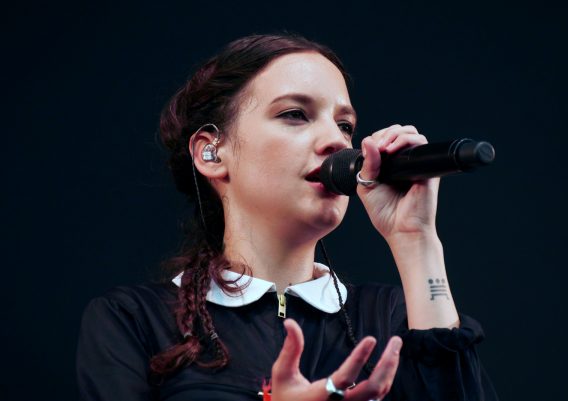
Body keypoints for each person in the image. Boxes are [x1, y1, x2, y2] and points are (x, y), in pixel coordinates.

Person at [76, 33, 498, 401]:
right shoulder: (134, 321)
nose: (337, 141)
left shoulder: (393, 317)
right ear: (211, 152)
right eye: (295, 114)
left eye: (345, 125)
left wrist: (415, 238)